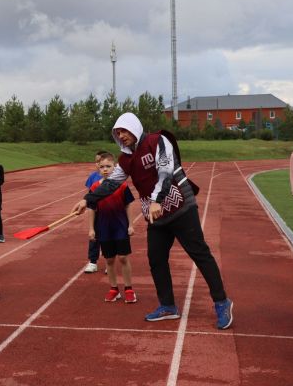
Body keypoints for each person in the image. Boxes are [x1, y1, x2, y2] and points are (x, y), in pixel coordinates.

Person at [71, 112, 233, 329]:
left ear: (134, 128)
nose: (121, 135)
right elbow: (111, 184)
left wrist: (157, 199)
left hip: (180, 205)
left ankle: (222, 302)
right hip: (155, 215)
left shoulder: (157, 141)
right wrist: (87, 200)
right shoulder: (125, 159)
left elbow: (166, 171)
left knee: (200, 253)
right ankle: (168, 306)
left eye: (124, 130)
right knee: (156, 259)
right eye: (117, 132)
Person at [87, 153, 137, 303]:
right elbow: (91, 209)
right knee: (109, 260)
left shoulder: (121, 186)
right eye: (102, 167)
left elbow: (128, 205)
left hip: (120, 227)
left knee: (123, 257)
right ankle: (114, 289)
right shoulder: (95, 188)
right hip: (104, 228)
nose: (105, 169)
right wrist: (91, 228)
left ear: (114, 167)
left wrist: (131, 224)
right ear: (98, 169)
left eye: (108, 166)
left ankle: (129, 289)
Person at [84, 150, 107, 273]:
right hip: (96, 212)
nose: (98, 164)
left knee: (109, 237)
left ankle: (110, 262)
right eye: (96, 162)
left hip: (110, 212)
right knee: (94, 236)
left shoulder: (113, 177)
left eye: (100, 161)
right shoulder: (93, 177)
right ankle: (93, 262)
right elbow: (90, 195)